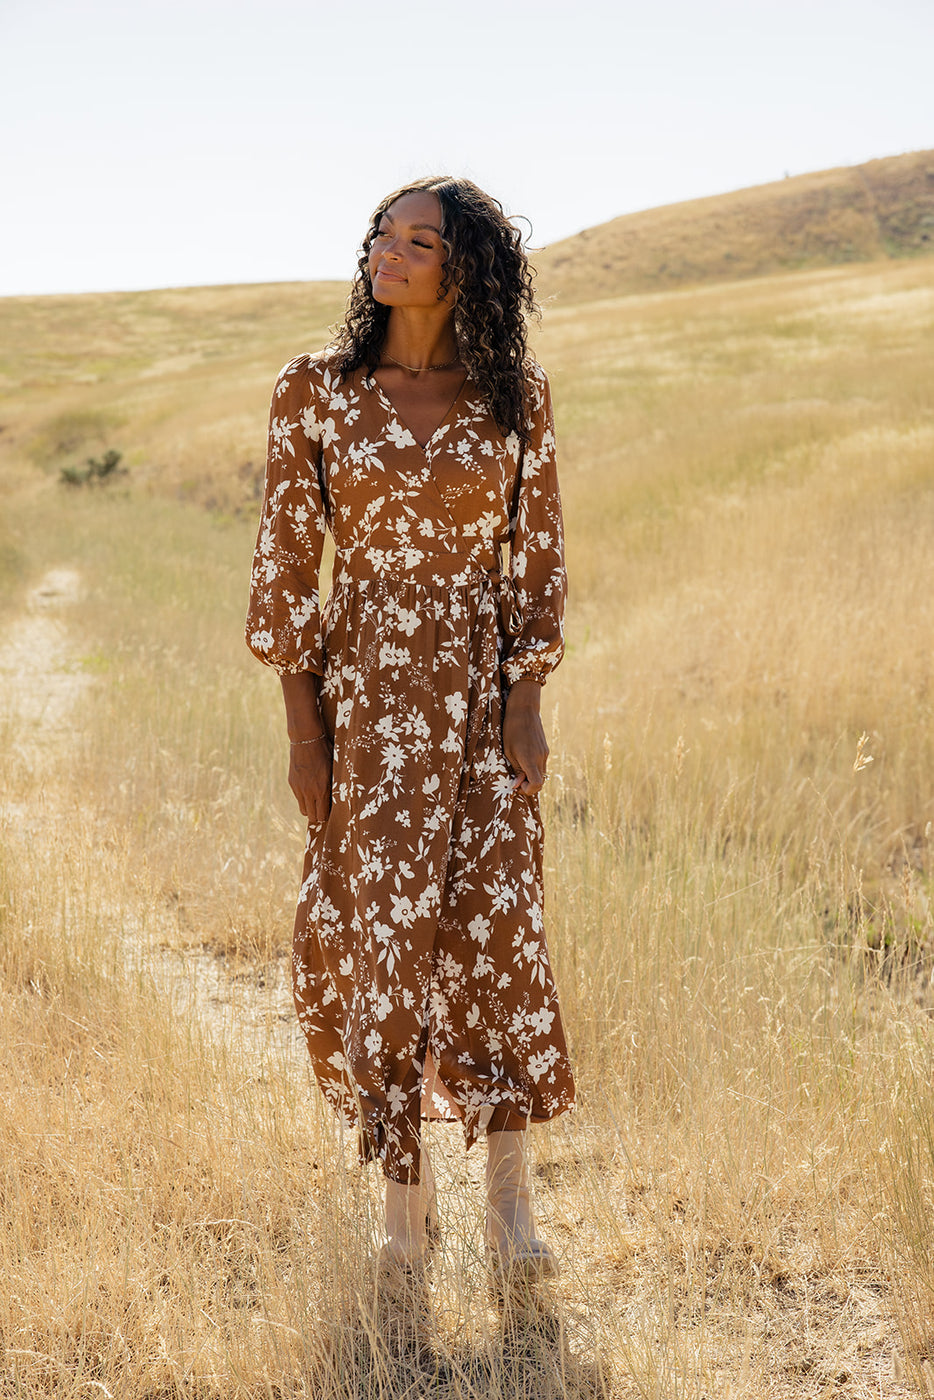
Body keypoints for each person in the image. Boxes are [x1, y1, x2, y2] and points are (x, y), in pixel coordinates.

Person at [245, 176, 575, 1288]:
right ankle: (400, 1216)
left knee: (497, 933)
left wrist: (526, 701)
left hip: (480, 702)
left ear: (462, 266)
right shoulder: (316, 392)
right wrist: (305, 735)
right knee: (385, 946)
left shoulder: (514, 397)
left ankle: (511, 1212)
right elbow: (288, 571)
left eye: (419, 239)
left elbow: (536, 559)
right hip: (370, 697)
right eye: (383, 233)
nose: (389, 251)